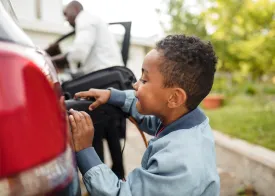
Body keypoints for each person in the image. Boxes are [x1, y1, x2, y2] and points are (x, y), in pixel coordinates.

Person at [68, 34, 220, 195]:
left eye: (145, 80)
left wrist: (85, 150)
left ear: (174, 97)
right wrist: (114, 96)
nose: (135, 84)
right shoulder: (186, 118)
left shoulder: (179, 161)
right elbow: (151, 119)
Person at [51, 0, 123, 74]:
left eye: (66, 14)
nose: (66, 19)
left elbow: (79, 52)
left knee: (66, 85)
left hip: (105, 73)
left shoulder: (84, 19)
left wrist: (52, 60)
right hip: (109, 71)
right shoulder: (91, 19)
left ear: (75, 9)